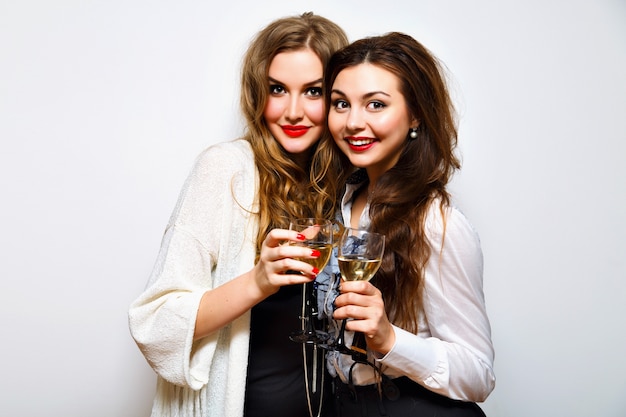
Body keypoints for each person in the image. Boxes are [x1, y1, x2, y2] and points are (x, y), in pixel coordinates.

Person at [128, 12, 348, 417]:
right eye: (277, 89)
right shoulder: (225, 170)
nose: (293, 111)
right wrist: (258, 281)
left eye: (313, 91)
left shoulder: (348, 185)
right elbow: (155, 323)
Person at [320, 32, 496, 416]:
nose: (353, 122)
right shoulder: (340, 201)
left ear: (415, 114)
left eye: (376, 104)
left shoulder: (437, 223)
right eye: (341, 104)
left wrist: (388, 338)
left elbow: (479, 375)